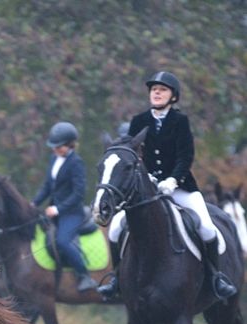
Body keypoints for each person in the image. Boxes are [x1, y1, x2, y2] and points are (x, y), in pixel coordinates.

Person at [98, 71, 237, 300]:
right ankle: (116, 279)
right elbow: (130, 156)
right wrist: (147, 179)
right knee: (114, 229)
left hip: (180, 187)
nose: (157, 93)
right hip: (145, 190)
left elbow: (185, 156)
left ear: (173, 96)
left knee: (206, 227)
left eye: (162, 90)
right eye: (154, 90)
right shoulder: (139, 121)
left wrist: (173, 180)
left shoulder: (180, 122)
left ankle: (215, 277)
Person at [32, 122, 98, 292]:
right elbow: (47, 186)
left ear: (70, 144)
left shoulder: (76, 163)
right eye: (54, 147)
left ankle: (84, 275)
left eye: (58, 147)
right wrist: (34, 203)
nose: (55, 150)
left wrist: (58, 209)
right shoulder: (54, 158)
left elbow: (78, 194)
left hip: (71, 213)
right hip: (55, 210)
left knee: (62, 241)